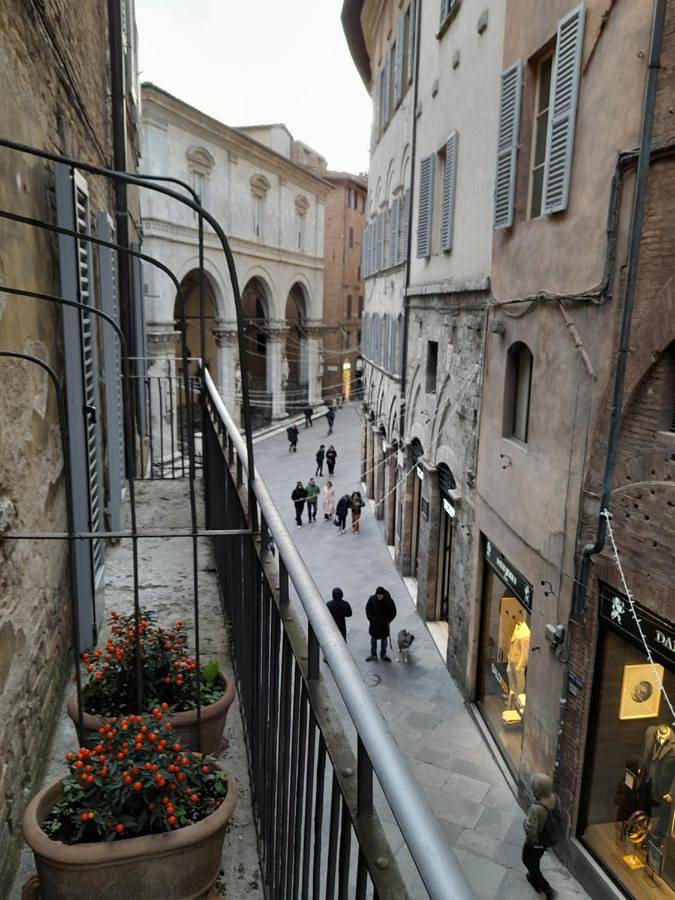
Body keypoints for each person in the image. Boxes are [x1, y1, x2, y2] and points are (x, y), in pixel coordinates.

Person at [522, 773, 558, 898]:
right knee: (535, 860)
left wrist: (525, 823)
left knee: (527, 860)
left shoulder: (536, 808)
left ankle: (545, 887)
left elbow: (530, 829)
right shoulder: (553, 798)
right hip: (545, 840)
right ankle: (534, 878)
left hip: (535, 842)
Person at [365, 587, 396, 662]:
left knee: (384, 641)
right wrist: (370, 619)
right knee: (373, 640)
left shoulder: (389, 601)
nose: (379, 597)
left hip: (384, 625)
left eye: (381, 595)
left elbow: (393, 612)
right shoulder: (372, 599)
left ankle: (383, 654)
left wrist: (388, 620)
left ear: (383, 595)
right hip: (374, 624)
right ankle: (373, 654)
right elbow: (367, 609)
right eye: (378, 595)